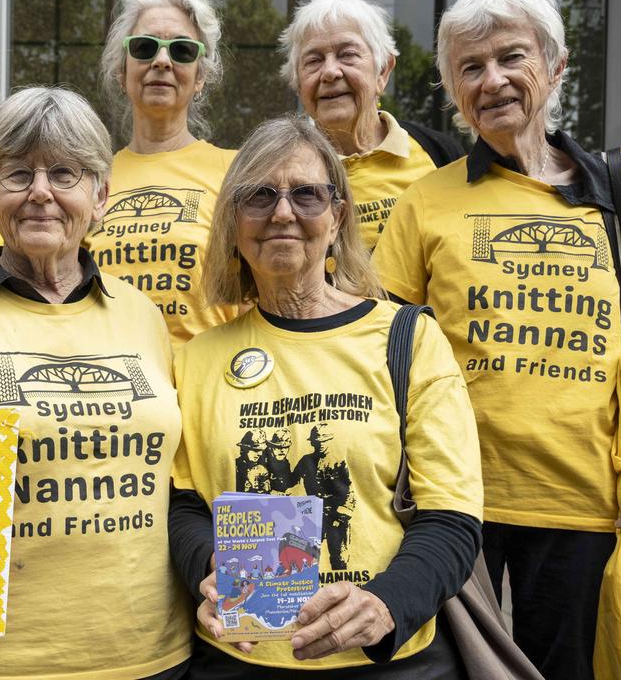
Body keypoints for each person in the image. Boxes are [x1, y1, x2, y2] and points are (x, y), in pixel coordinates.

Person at [371, 0, 621, 679]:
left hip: (594, 512)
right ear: (455, 92)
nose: (492, 81)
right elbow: (372, 349)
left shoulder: (620, 186)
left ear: (555, 66)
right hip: (455, 506)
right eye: (470, 68)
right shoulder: (425, 202)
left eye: (511, 58)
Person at [0, 87, 192, 680]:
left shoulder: (142, 315)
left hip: (151, 656)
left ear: (100, 196)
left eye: (65, 173)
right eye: (17, 174)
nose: (41, 192)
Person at [171, 116, 483, 677]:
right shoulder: (197, 358)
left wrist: (385, 604)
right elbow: (183, 505)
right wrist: (207, 564)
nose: (283, 212)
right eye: (259, 196)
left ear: (337, 216)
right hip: (239, 658)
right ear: (234, 223)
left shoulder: (407, 338)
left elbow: (452, 518)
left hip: (386, 661)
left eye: (307, 195)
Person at [90, 0, 239, 347]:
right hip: (111, 390)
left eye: (182, 51)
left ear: (200, 76)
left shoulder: (237, 172)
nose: (161, 61)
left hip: (207, 385)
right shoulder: (90, 180)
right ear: (122, 73)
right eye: (144, 47)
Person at [280, 0, 463, 250]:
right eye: (313, 60)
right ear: (298, 82)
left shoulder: (439, 154)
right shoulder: (281, 168)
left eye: (347, 54)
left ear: (383, 71)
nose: (330, 72)